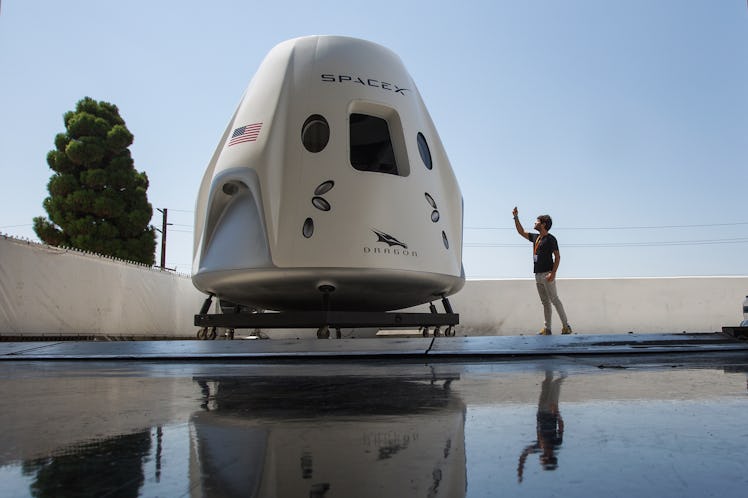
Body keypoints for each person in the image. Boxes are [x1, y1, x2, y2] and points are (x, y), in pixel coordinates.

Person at [513, 207, 572, 335]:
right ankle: (547, 328)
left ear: (543, 224)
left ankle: (566, 326)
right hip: (537, 275)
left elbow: (557, 257)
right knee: (545, 302)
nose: (534, 223)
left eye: (537, 221)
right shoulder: (536, 238)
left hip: (547, 274)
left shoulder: (551, 239)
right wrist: (516, 217)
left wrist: (553, 273)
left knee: (554, 300)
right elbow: (521, 231)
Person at [517, 370, 567, 482]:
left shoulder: (539, 446)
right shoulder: (556, 443)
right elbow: (561, 427)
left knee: (546, 386)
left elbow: (524, 453)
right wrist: (557, 412)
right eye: (543, 460)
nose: (540, 458)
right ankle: (563, 373)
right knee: (555, 387)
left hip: (541, 411)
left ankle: (550, 370)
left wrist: (520, 469)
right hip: (551, 411)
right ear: (549, 457)